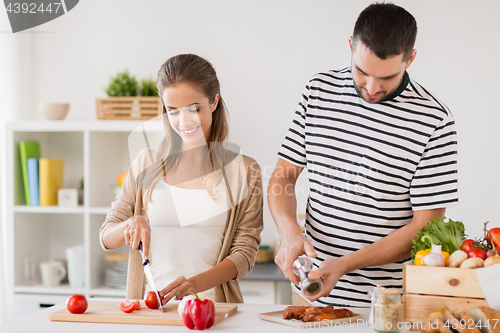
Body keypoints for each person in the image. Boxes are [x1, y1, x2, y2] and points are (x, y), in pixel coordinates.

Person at [268, 3, 458, 308]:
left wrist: (345, 263)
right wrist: (289, 230)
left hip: (387, 304)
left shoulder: (434, 119)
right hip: (311, 294)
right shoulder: (318, 91)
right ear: (350, 47)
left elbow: (425, 225)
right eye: (362, 71)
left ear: (410, 58)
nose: (371, 88)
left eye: (387, 78)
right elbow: (284, 175)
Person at [99, 54, 263, 304]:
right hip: (153, 311)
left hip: (215, 311)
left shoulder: (245, 170)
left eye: (194, 109)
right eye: (172, 111)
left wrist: (194, 285)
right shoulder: (146, 163)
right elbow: (106, 237)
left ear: (214, 101)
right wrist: (130, 224)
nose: (183, 122)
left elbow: (245, 252)